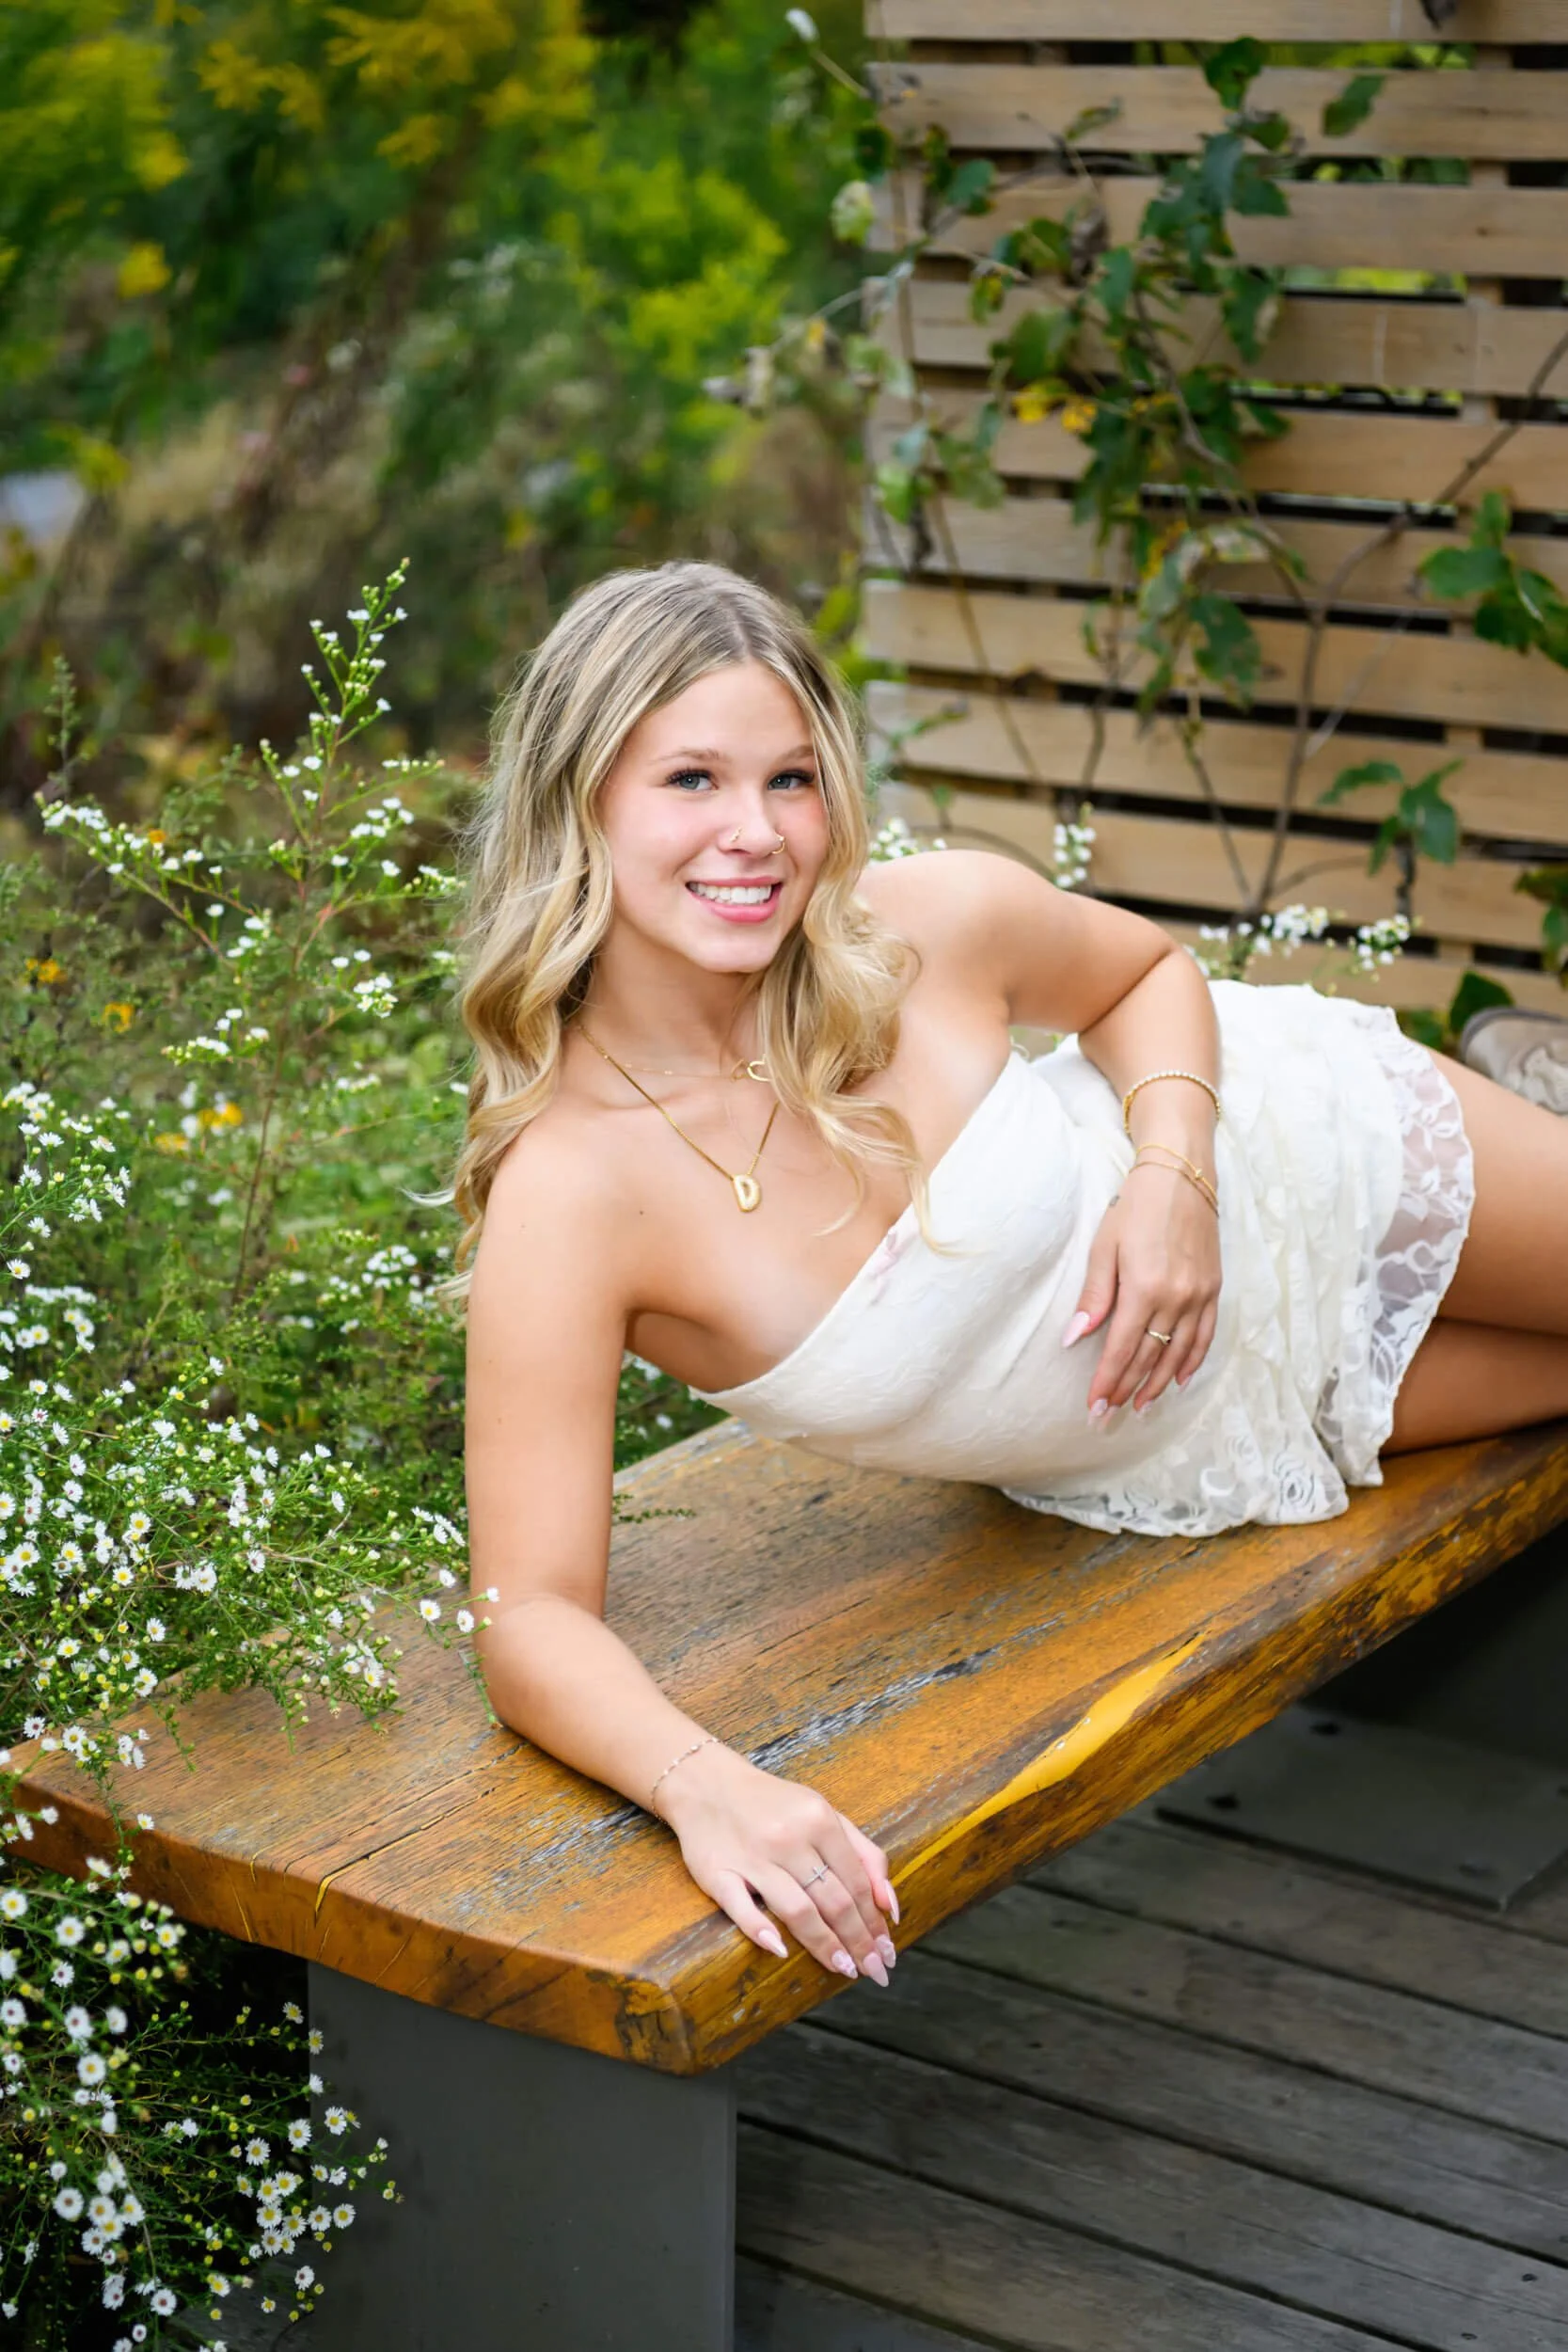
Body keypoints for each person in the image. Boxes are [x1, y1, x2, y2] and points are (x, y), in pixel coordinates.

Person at [455, 560, 1568, 1994]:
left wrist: (1173, 1178)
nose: (757, 834)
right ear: (579, 802)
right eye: (690, 779)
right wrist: (706, 1784)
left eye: (792, 779)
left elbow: (1143, 974)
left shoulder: (922, 929)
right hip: (1201, 1428)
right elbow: (530, 1612)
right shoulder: (571, 1194)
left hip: (1308, 1167)